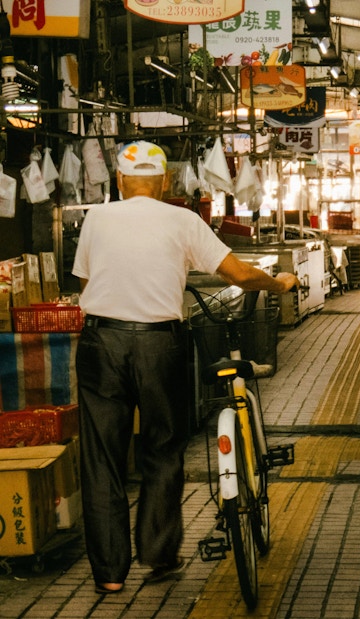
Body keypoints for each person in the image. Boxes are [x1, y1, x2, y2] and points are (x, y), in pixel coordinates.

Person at [72, 140, 299, 595]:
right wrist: (277, 284)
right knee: (162, 447)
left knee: (102, 457)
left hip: (102, 342)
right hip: (159, 344)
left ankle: (110, 575)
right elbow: (235, 273)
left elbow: (84, 279)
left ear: (119, 181)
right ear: (164, 183)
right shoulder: (183, 219)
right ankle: (157, 554)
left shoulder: (96, 218)